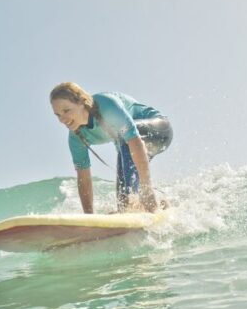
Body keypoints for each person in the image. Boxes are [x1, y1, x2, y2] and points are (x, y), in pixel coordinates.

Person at [50, 82, 173, 214]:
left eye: (66, 111)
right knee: (122, 202)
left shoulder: (106, 105)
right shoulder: (76, 137)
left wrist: (147, 190)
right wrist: (89, 217)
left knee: (128, 201)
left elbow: (135, 142)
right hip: (130, 147)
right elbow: (83, 176)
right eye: (58, 115)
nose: (62, 119)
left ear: (81, 102)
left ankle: (143, 200)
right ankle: (161, 204)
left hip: (159, 130)